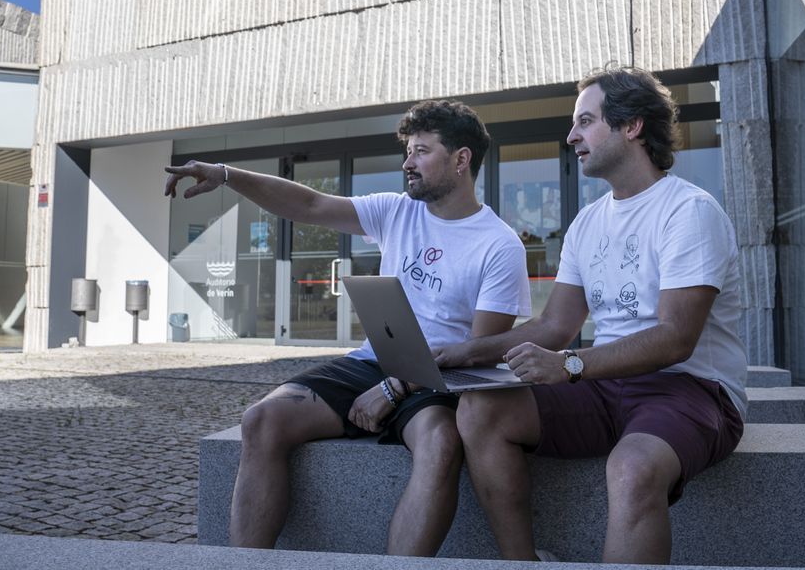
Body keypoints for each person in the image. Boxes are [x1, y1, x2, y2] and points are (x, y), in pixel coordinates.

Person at [164, 100, 531, 555]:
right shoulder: (397, 211)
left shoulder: (499, 245)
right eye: (408, 151)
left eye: (420, 151)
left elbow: (480, 354)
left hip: (438, 383)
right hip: (371, 363)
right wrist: (226, 175)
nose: (407, 163)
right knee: (262, 419)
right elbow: (311, 203)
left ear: (461, 159)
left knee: (440, 444)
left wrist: (396, 389)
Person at [437, 65, 748, 564]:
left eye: (585, 121)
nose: (571, 136)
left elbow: (675, 338)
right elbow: (554, 326)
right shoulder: (587, 222)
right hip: (604, 385)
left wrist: (571, 365)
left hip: (691, 387)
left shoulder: (689, 212)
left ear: (632, 126)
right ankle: (523, 563)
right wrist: (462, 353)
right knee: (480, 410)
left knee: (633, 467)